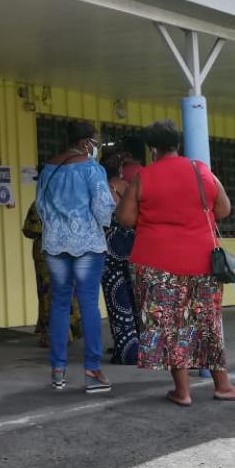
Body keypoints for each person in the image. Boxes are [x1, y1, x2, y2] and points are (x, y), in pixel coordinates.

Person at [118, 119, 235, 406]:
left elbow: (126, 218)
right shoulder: (199, 170)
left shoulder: (144, 177)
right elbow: (224, 208)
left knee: (169, 325)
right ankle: (223, 386)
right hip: (202, 260)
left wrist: (156, 220)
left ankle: (183, 392)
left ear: (152, 149)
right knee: (206, 322)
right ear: (178, 144)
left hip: (155, 262)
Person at [36, 121, 115, 393]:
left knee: (59, 304)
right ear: (85, 143)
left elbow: (41, 208)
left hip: (55, 245)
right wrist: (103, 225)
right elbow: (104, 207)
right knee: (89, 303)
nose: (97, 148)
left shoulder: (48, 168)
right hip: (87, 245)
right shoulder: (92, 169)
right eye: (96, 142)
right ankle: (92, 371)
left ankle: (58, 371)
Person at [22, 197, 81, 347]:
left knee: (47, 294)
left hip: (46, 254)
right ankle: (70, 331)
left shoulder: (40, 203)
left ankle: (54, 335)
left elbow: (29, 229)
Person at [101, 145, 140, 365]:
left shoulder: (103, 188)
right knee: (137, 299)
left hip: (110, 252)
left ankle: (127, 349)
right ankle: (143, 346)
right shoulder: (131, 187)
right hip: (134, 248)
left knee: (118, 302)